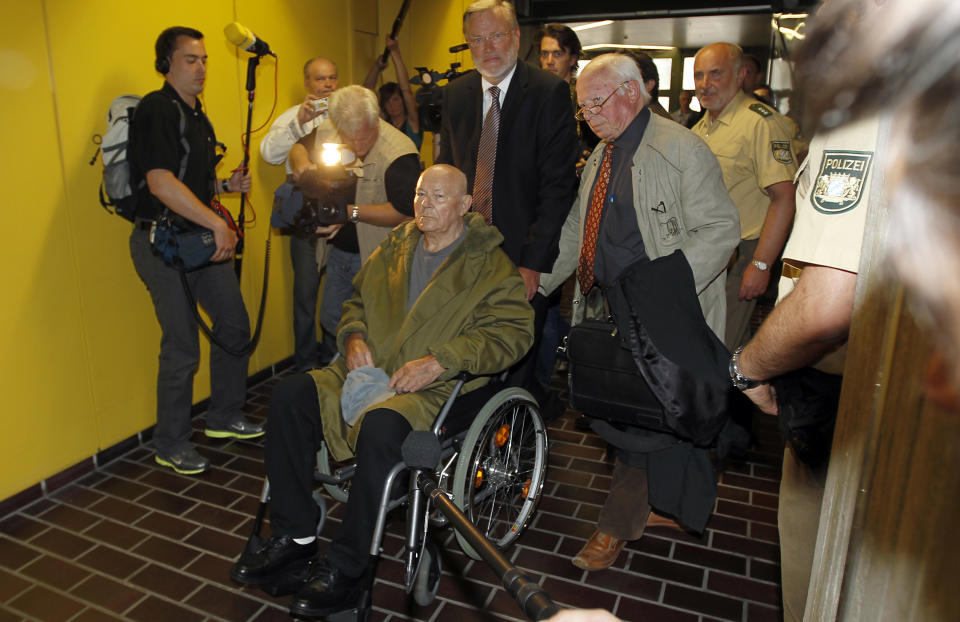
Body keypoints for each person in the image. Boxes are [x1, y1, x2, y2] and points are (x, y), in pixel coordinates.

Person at [230, 164, 535, 619]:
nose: (424, 205)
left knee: (381, 425)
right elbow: (354, 301)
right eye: (419, 194)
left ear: (466, 205)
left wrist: (441, 360)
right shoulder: (397, 244)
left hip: (434, 386)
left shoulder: (488, 264)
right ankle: (295, 536)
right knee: (291, 395)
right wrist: (353, 336)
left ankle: (350, 568)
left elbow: (513, 332)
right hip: (370, 369)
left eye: (438, 196)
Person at [539, 53, 740, 571]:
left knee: (645, 424)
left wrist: (655, 293)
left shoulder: (682, 150)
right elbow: (575, 233)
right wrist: (538, 283)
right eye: (582, 107)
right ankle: (674, 505)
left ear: (632, 92)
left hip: (661, 313)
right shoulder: (602, 157)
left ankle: (615, 526)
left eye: (596, 102)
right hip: (608, 309)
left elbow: (719, 231)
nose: (588, 116)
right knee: (643, 413)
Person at [128, 27, 262, 475]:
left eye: (204, 59)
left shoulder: (197, 115)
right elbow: (160, 182)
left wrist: (224, 187)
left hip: (198, 238)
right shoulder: (156, 110)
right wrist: (217, 224)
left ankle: (223, 417)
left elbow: (192, 184)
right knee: (182, 345)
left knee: (233, 325)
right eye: (191, 59)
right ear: (166, 63)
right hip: (161, 243)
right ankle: (171, 442)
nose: (201, 67)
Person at [437, 0, 579, 401]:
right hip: (463, 253)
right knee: (464, 353)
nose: (488, 47)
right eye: (477, 39)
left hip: (520, 255)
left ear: (516, 36)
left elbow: (556, 190)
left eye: (496, 35)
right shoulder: (457, 94)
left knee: (516, 365)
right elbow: (447, 171)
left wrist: (533, 263)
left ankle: (514, 446)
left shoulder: (548, 93)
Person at [288, 85, 420, 359]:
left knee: (375, 324)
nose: (359, 147)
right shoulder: (328, 131)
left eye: (365, 137)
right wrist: (303, 168)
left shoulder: (400, 151)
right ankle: (346, 375)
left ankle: (373, 379)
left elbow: (406, 212)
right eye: (350, 139)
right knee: (332, 317)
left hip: (381, 256)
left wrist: (350, 213)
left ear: (376, 120)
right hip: (341, 251)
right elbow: (299, 148)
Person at [691, 42, 798, 351]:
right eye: (699, 75)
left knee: (716, 349)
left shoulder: (761, 123)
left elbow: (784, 198)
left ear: (740, 76)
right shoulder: (701, 129)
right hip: (706, 253)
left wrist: (761, 265)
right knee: (713, 347)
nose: (704, 85)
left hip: (742, 255)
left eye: (715, 74)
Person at [260, 57, 339, 372]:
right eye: (320, 79)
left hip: (340, 210)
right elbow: (269, 153)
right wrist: (300, 123)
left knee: (340, 290)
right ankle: (305, 367)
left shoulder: (345, 117)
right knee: (305, 294)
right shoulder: (294, 117)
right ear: (308, 83)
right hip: (306, 214)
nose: (328, 85)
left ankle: (335, 360)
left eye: (332, 78)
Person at [363, 35, 423, 151]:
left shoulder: (412, 122)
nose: (392, 106)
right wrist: (376, 68)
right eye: (387, 102)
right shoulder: (383, 123)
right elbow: (366, 93)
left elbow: (406, 90)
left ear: (402, 100)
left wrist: (395, 51)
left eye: (395, 99)